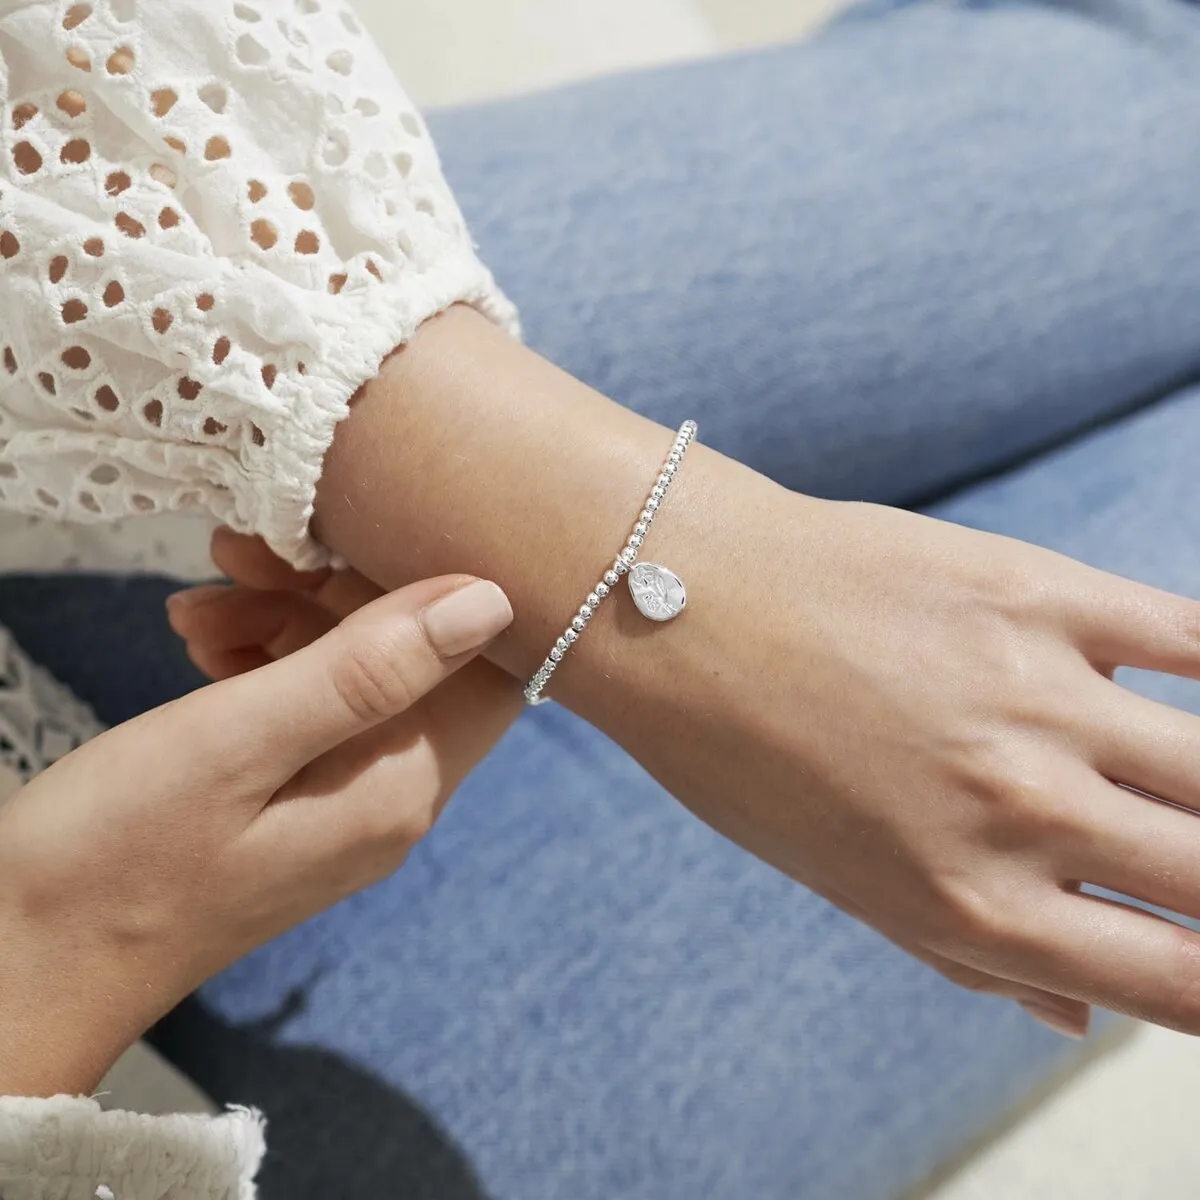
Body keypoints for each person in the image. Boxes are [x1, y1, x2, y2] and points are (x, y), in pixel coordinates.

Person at [7, 0, 1200, 1193]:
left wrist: (651, 564)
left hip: (64, 424)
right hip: (150, 1099)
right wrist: (66, 947)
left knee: (1158, 123)